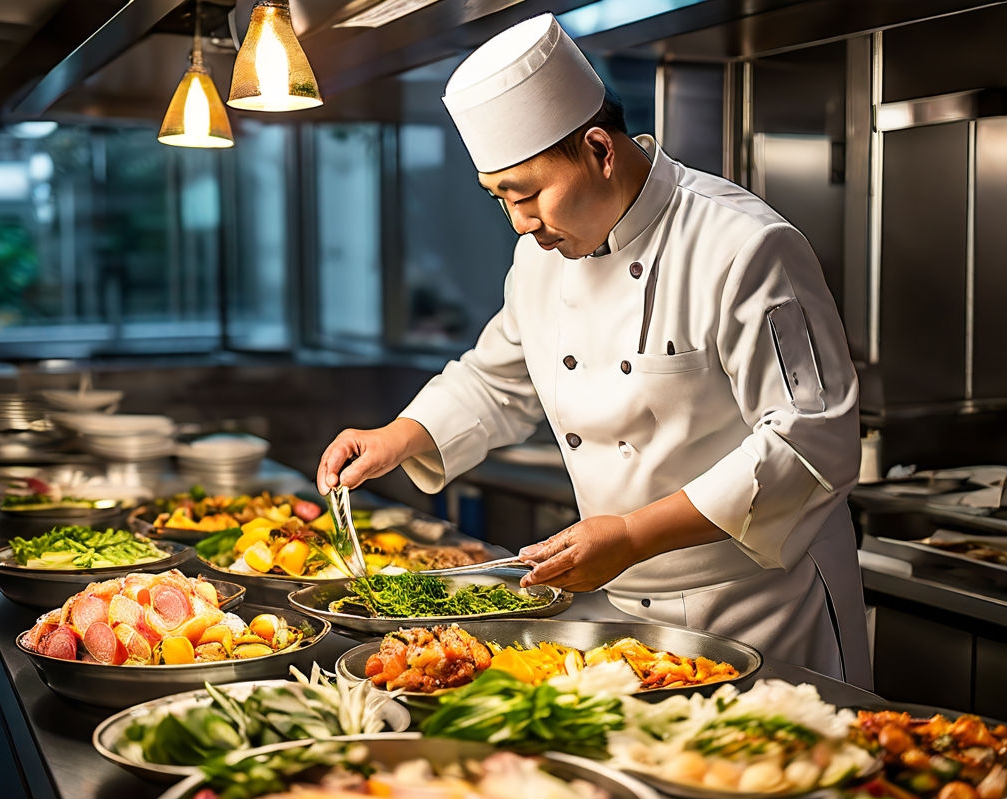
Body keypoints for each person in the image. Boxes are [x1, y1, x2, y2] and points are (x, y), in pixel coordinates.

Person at [316, 13, 871, 685]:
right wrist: (398, 437)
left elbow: (810, 442)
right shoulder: (540, 257)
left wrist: (634, 534)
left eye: (528, 195)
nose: (520, 222)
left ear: (600, 151)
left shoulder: (743, 245)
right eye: (501, 200)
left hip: (761, 606)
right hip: (625, 609)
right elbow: (498, 381)